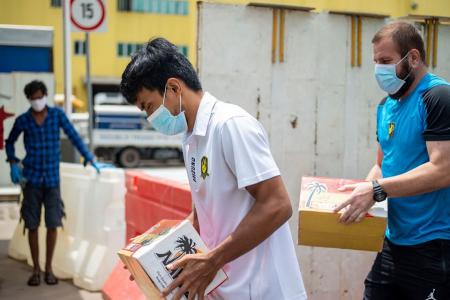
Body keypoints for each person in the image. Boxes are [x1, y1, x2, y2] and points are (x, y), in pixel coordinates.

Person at [120, 37, 307, 300]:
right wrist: (152, 260)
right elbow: (202, 217)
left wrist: (212, 261)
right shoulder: (191, 139)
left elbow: (277, 205)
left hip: (264, 289)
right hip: (227, 289)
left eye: (149, 106)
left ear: (173, 88)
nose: (150, 118)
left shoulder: (231, 125)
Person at [334, 22, 450, 299]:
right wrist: (360, 193)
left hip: (433, 246)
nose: (379, 70)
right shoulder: (386, 106)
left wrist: (376, 190)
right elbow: (381, 165)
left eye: (385, 61)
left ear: (413, 57)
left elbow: (443, 169)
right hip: (392, 242)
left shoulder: (438, 97)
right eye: (375, 62)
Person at [5, 80, 100, 286]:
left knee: (53, 223)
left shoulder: (57, 115)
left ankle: (48, 269)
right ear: (29, 99)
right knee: (31, 224)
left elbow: (74, 136)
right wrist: (13, 162)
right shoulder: (23, 120)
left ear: (45, 96)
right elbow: (9, 141)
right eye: (33, 98)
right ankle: (36, 270)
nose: (37, 101)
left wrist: (88, 157)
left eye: (40, 96)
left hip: (52, 181)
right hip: (31, 179)